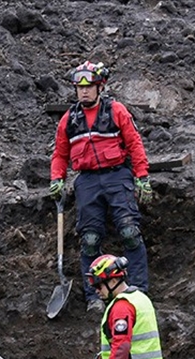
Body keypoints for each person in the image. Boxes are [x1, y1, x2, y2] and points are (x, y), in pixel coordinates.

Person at [49, 61, 154, 313]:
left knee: (129, 231)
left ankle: (138, 288)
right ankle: (94, 296)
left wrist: (142, 176)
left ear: (100, 87)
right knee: (90, 239)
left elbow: (134, 143)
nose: (84, 92)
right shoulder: (69, 120)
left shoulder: (116, 111)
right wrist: (56, 179)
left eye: (89, 87)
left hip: (117, 175)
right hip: (86, 180)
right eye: (79, 87)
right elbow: (60, 154)